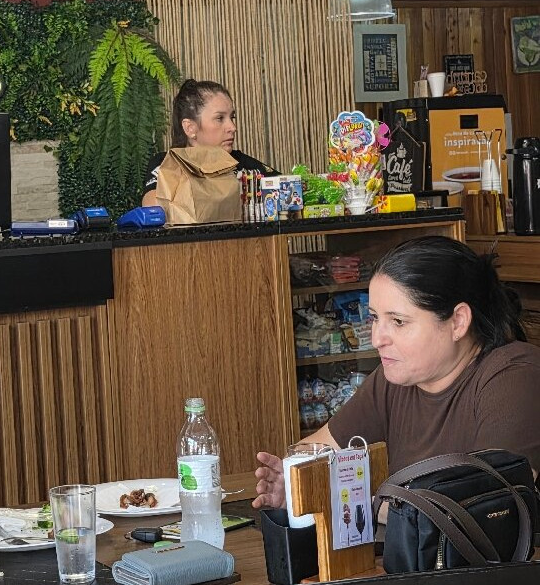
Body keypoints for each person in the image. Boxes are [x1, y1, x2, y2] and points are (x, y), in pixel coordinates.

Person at [252, 236, 540, 514]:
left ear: (458, 322)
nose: (377, 339)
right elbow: (315, 454)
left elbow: (487, 506)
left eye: (398, 322)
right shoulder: (396, 379)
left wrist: (355, 500)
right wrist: (294, 483)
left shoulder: (514, 375)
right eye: (375, 318)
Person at [142, 79, 274, 206]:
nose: (232, 127)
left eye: (232, 117)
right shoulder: (167, 163)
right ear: (190, 128)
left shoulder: (241, 164)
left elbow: (282, 188)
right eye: (220, 118)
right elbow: (153, 207)